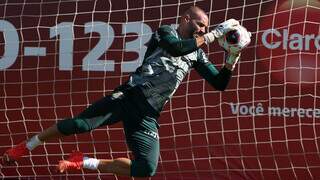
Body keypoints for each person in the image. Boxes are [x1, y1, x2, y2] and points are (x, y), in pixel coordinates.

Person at [2, 6, 249, 177]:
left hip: (148, 114)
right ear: (185, 19)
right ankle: (28, 145)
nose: (203, 30)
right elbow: (175, 48)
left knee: (145, 169)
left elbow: (220, 83)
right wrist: (214, 34)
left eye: (206, 28)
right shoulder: (167, 32)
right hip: (129, 97)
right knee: (78, 125)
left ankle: (82, 161)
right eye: (200, 24)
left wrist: (232, 58)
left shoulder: (197, 53)